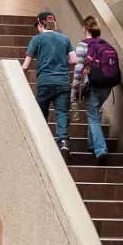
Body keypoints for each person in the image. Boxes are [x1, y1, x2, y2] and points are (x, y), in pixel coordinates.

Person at [21, 11, 77, 153]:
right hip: (63, 82)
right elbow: (74, 60)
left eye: (37, 25)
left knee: (41, 112)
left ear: (41, 24)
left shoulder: (37, 40)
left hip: (44, 82)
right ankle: (63, 141)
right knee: (62, 113)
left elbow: (26, 66)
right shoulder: (65, 39)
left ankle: (42, 142)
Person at [75, 15, 121, 158]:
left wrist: (75, 89)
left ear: (85, 28)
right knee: (94, 113)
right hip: (107, 87)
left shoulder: (83, 45)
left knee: (93, 116)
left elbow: (78, 69)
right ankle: (91, 145)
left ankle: (100, 150)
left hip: (93, 86)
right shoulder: (106, 45)